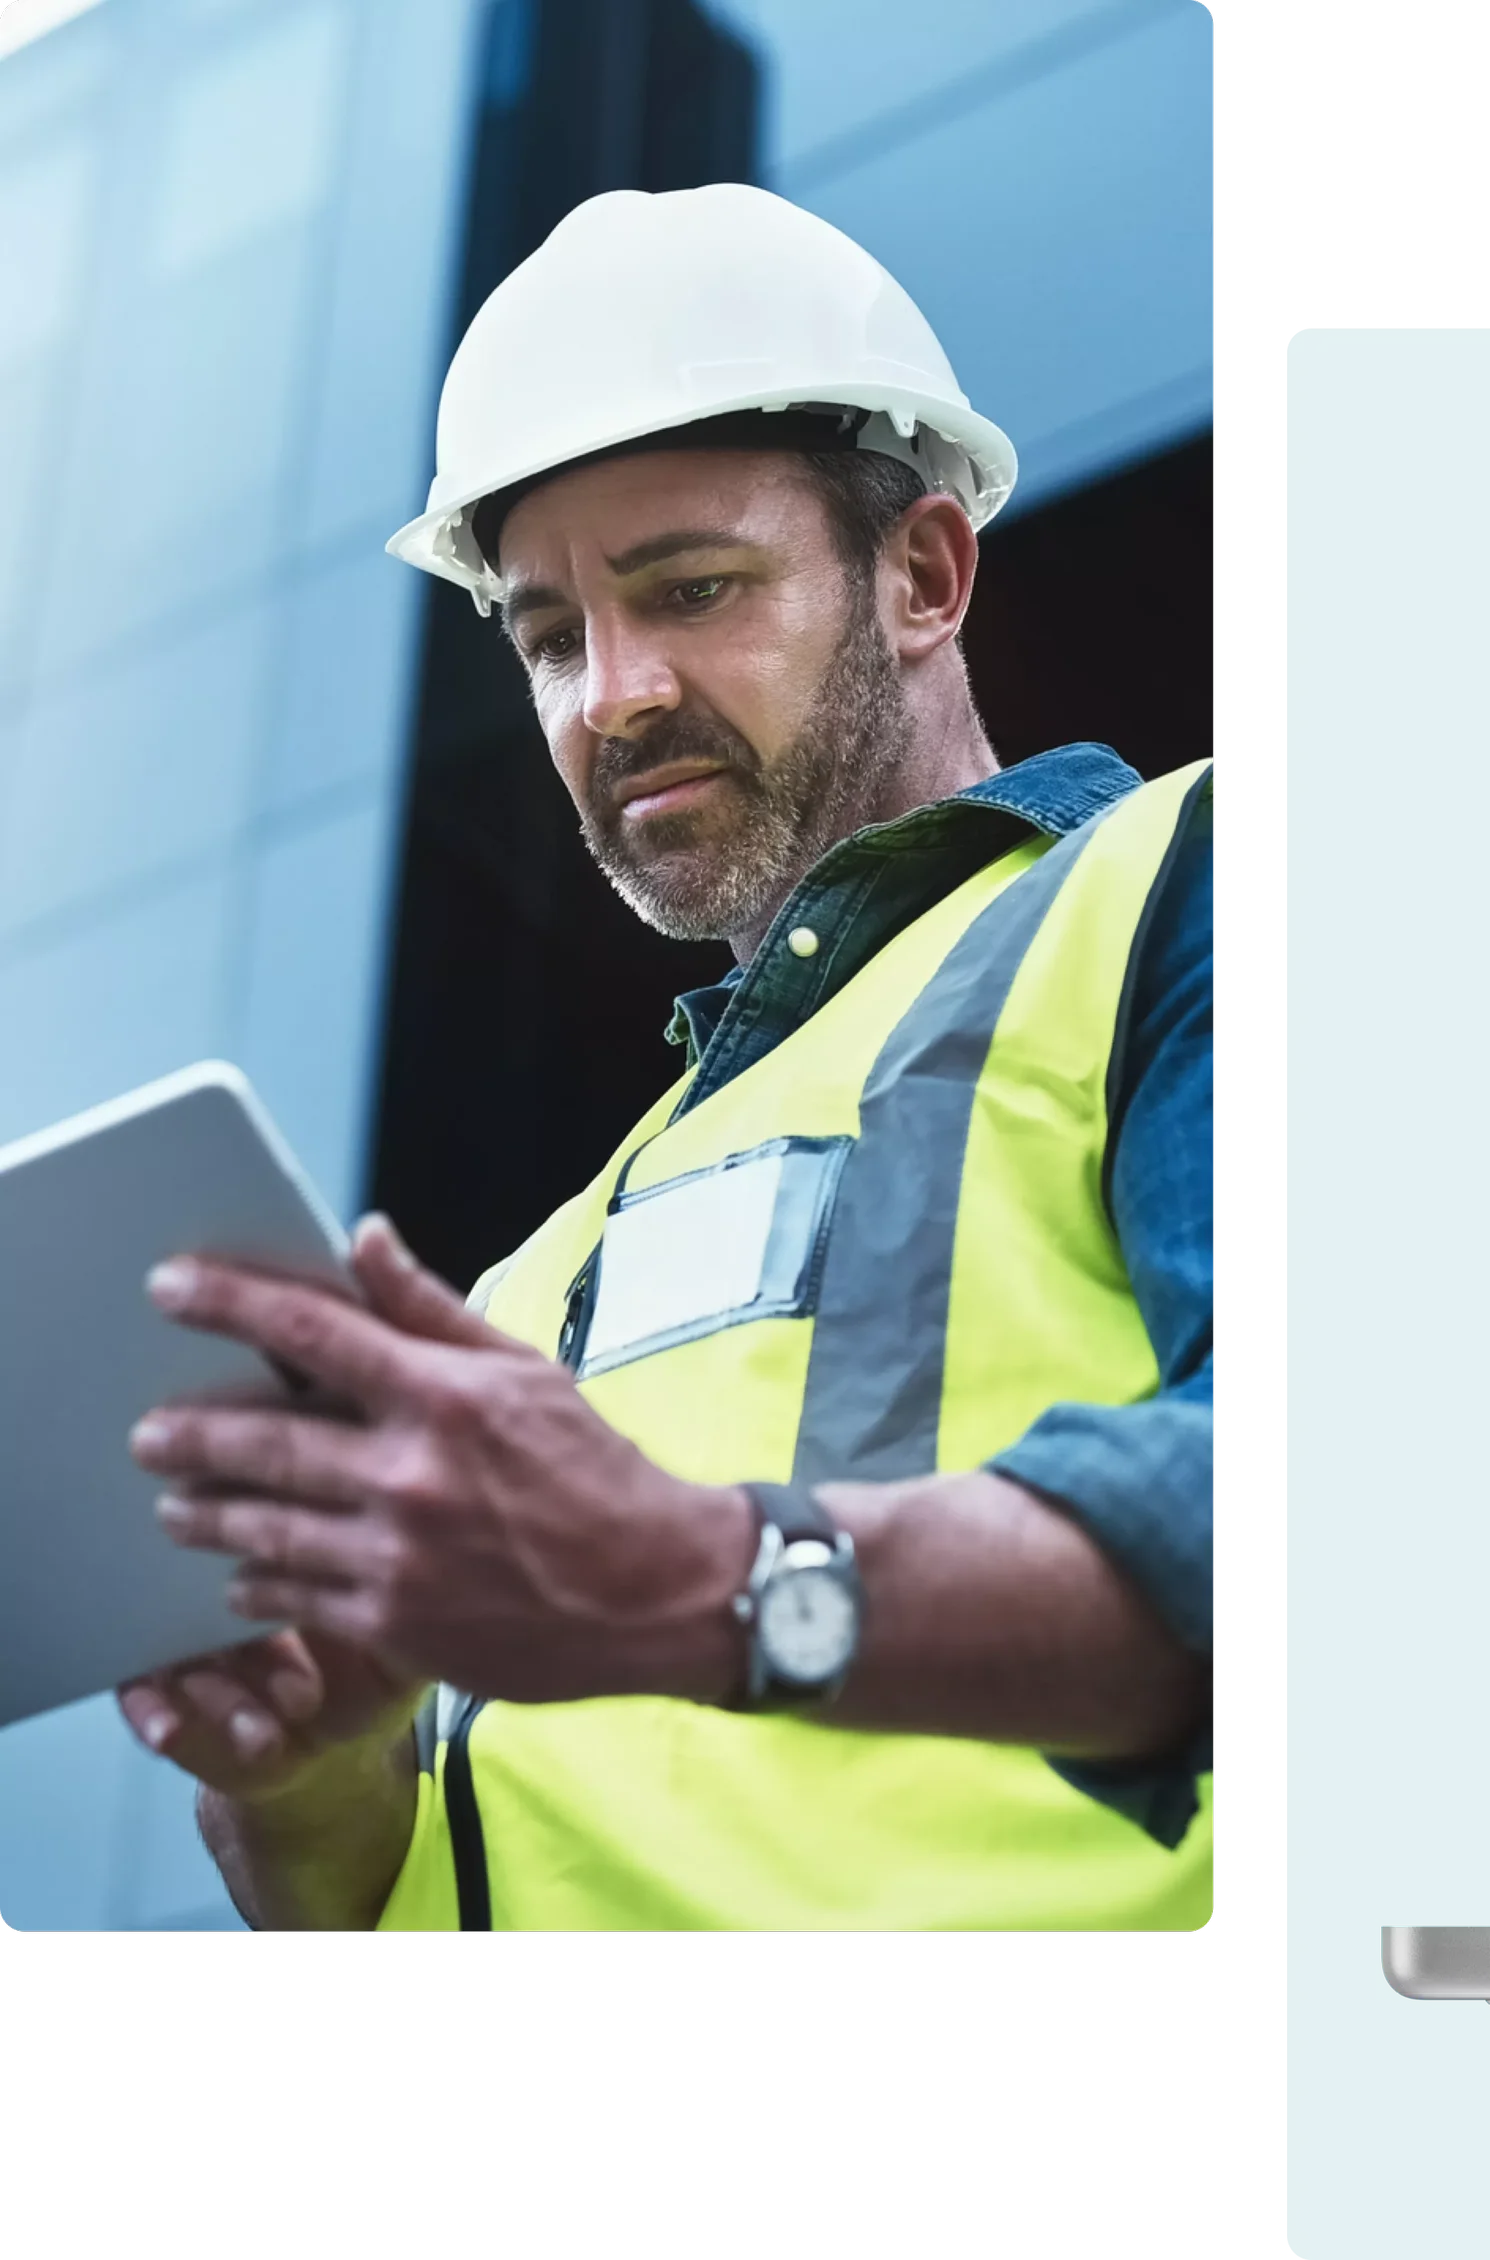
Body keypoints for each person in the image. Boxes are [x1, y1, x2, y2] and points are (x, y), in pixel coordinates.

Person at [111, 184, 1213, 1931]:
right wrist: (309, 1777)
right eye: (550, 637)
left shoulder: (1191, 884)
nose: (608, 695)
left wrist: (703, 1580)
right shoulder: (525, 1286)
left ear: (921, 575)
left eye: (689, 590)